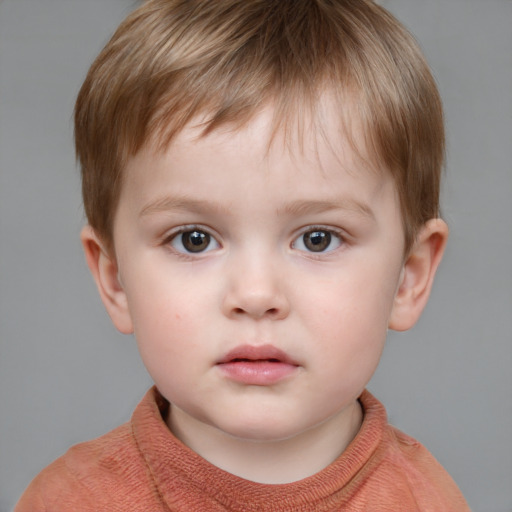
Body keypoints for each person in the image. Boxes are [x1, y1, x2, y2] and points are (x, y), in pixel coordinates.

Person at [15, 0, 471, 510]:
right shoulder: (70, 502)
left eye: (318, 238)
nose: (256, 295)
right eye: (194, 239)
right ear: (115, 278)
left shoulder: (428, 500)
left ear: (409, 277)